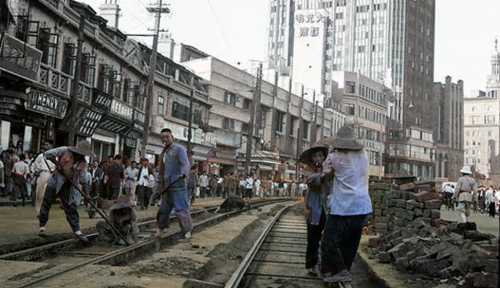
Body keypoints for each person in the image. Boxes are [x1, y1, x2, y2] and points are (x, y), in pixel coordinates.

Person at [320, 125, 372, 283]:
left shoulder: (334, 157)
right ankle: (342, 270)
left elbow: (325, 175)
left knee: (328, 241)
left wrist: (330, 155)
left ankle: (339, 271)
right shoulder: (364, 154)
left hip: (343, 205)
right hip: (362, 204)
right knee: (351, 241)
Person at [38, 140, 94, 242]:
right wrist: (57, 164)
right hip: (55, 182)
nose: (80, 156)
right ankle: (42, 226)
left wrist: (87, 194)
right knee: (46, 203)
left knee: (71, 208)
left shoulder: (83, 163)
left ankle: (76, 230)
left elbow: (84, 180)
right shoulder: (64, 150)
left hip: (69, 186)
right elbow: (48, 154)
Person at [153, 128, 192, 239]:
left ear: (172, 137)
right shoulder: (163, 153)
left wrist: (184, 173)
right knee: (163, 210)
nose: (165, 139)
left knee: (181, 209)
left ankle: (186, 231)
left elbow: (185, 164)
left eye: (167, 137)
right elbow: (161, 171)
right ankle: (160, 231)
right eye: (163, 137)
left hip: (178, 185)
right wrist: (157, 188)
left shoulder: (179, 149)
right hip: (166, 187)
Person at [299, 143, 330, 276]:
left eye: (320, 155)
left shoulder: (329, 170)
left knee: (327, 239)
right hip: (314, 210)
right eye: (315, 156)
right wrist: (325, 174)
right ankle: (312, 265)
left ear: (324, 158)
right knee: (313, 239)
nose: (318, 158)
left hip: (328, 209)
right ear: (311, 159)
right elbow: (313, 180)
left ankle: (325, 265)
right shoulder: (308, 172)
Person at [32, 141, 55, 215]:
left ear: (51, 146)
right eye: (44, 144)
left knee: (47, 195)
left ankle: (45, 211)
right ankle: (39, 211)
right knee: (39, 194)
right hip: (42, 174)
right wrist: (36, 171)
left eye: (47, 144)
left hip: (50, 175)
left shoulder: (54, 157)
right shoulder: (40, 156)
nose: (45, 146)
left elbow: (56, 167)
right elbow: (34, 165)